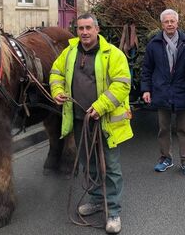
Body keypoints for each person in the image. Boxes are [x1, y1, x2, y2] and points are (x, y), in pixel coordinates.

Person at [50, 13, 132, 234]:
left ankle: (113, 211)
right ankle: (97, 200)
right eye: (80, 28)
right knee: (89, 162)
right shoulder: (69, 52)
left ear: (97, 29)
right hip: (79, 119)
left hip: (105, 121)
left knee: (111, 167)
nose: (84, 32)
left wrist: (100, 106)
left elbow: (122, 84)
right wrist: (57, 91)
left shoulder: (112, 54)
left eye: (88, 28)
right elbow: (56, 72)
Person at [141, 9, 185, 176]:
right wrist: (146, 89)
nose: (170, 24)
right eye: (166, 22)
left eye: (172, 21)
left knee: (183, 129)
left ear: (177, 23)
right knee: (163, 128)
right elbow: (147, 69)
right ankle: (165, 158)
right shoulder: (154, 44)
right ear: (162, 24)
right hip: (161, 91)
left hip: (182, 90)